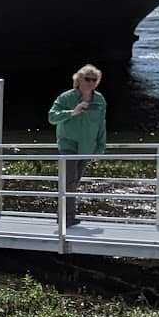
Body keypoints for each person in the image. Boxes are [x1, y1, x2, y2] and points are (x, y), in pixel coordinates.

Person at [48, 66, 107, 225]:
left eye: (94, 79)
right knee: (68, 180)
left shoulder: (99, 100)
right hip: (68, 144)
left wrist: (100, 147)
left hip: (87, 146)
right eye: (87, 79)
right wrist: (72, 112)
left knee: (75, 182)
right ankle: (66, 217)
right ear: (79, 79)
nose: (91, 82)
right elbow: (52, 117)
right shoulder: (66, 97)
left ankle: (68, 215)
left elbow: (101, 125)